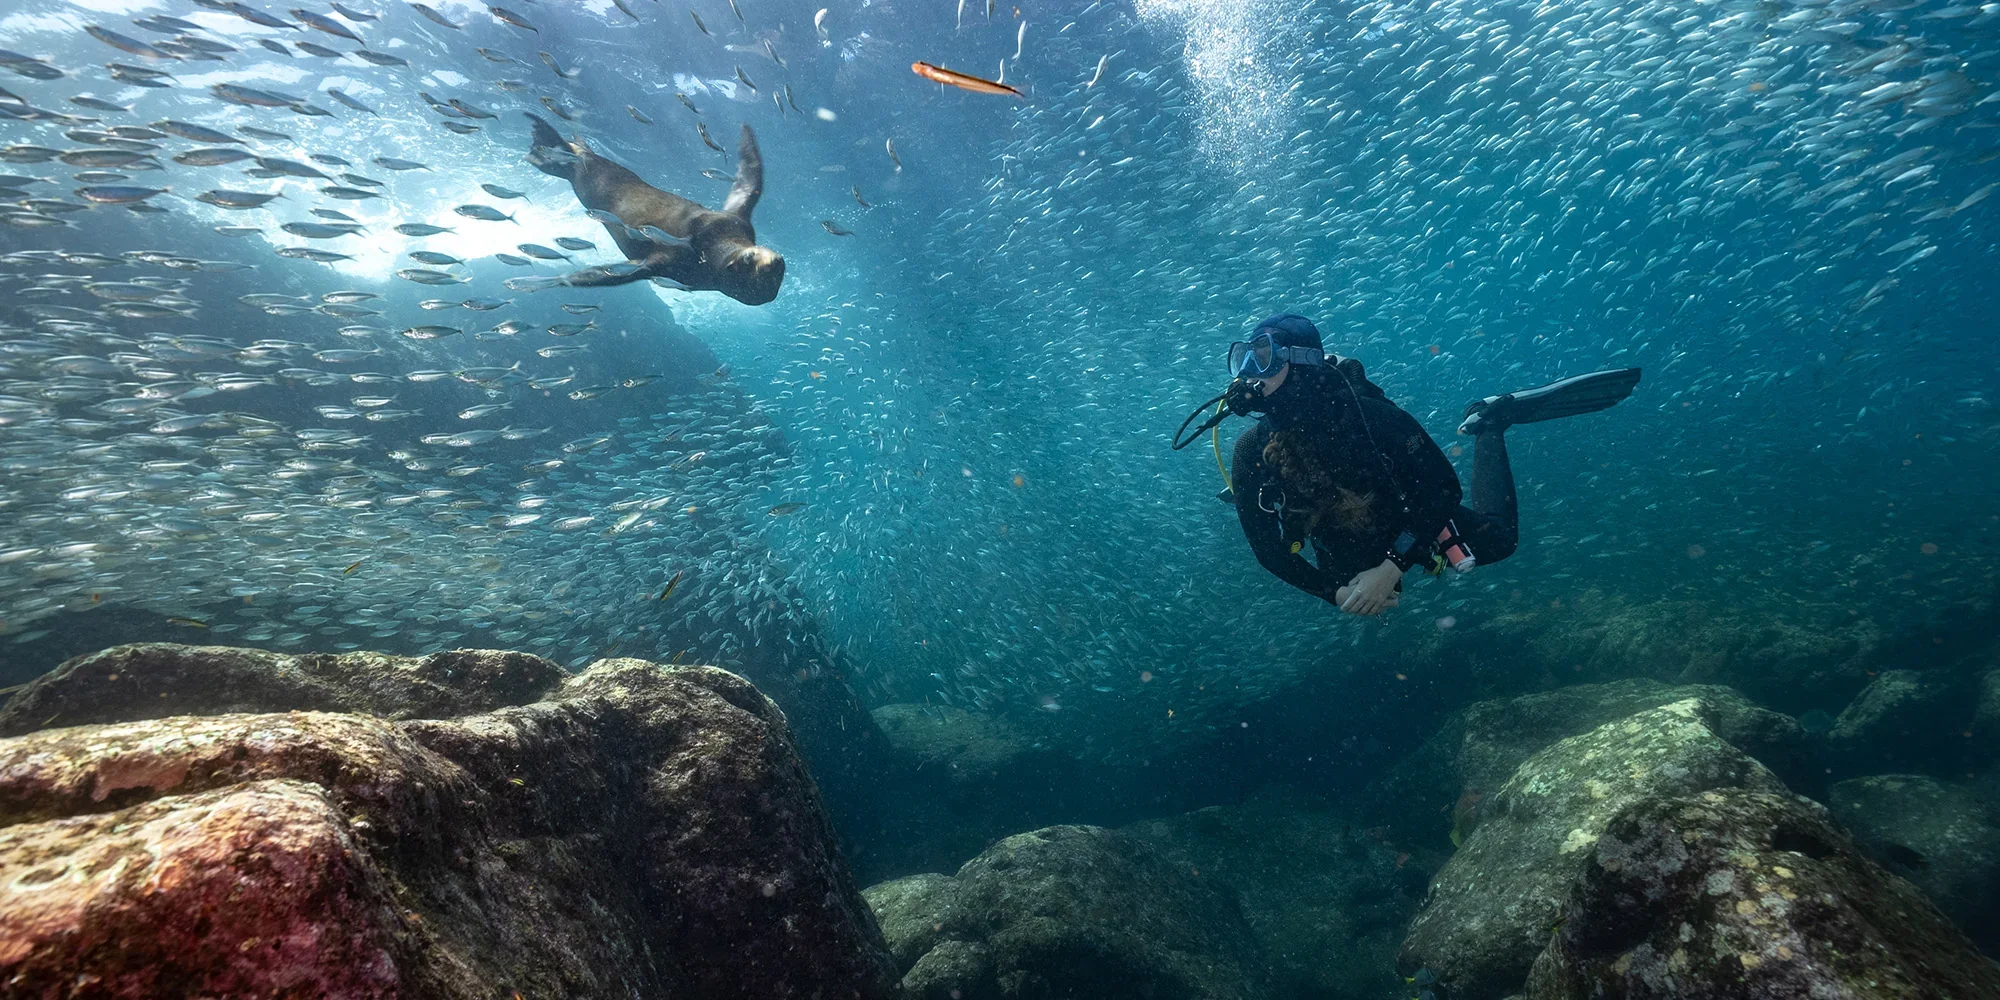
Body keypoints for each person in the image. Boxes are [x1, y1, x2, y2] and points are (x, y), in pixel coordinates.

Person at [1219, 314, 1639, 616]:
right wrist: (1333, 592)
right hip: (1345, 545)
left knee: (1502, 539)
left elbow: (1442, 490)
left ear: (1305, 363)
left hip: (1411, 520)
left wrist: (1391, 566)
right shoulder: (1250, 451)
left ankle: (1490, 422)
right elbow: (1268, 552)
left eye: (1266, 357)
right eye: (1245, 359)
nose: (1250, 376)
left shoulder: (1370, 417)